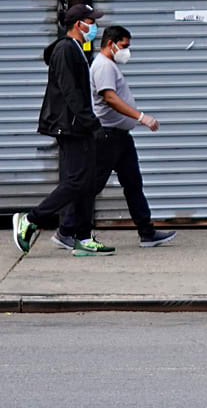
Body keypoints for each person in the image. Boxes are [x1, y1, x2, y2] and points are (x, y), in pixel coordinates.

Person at [11, 3, 115, 258]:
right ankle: (31, 220)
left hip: (76, 125)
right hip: (70, 126)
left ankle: (82, 237)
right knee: (77, 180)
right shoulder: (66, 50)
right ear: (78, 24)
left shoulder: (77, 48)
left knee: (86, 182)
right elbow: (71, 93)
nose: (94, 26)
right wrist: (92, 124)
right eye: (91, 21)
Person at [64, 26, 175, 249]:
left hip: (120, 137)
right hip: (107, 137)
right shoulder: (104, 66)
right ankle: (66, 230)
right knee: (90, 186)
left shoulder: (109, 65)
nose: (127, 51)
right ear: (111, 43)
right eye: (124, 46)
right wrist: (141, 117)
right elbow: (110, 98)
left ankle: (147, 232)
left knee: (133, 183)